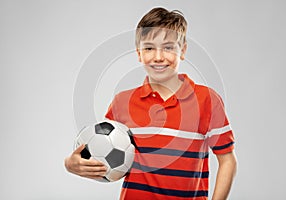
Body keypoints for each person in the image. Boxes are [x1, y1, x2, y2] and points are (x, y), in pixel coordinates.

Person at [65, 7, 237, 200]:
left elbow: (227, 160)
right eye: (149, 48)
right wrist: (72, 164)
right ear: (139, 53)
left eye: (169, 47)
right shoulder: (122, 102)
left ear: (183, 51)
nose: (158, 57)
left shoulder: (207, 100)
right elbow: (105, 156)